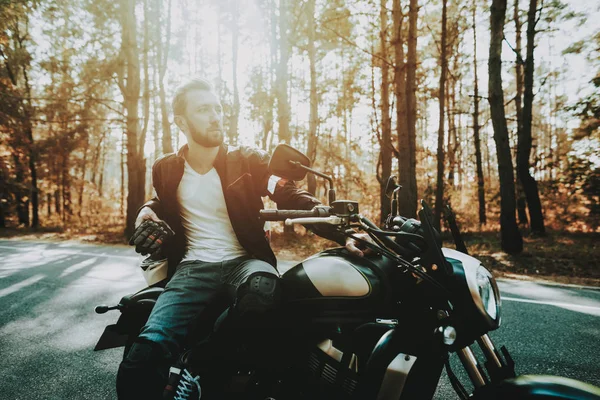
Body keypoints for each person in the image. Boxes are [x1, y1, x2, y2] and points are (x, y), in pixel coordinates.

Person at [116, 78, 364, 400]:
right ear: (181, 121)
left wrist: (339, 226)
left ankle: (198, 365)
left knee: (263, 290)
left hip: (245, 262)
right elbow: (163, 201)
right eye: (204, 109)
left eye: (218, 108)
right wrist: (145, 210)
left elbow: (286, 191)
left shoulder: (246, 160)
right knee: (143, 357)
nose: (216, 116)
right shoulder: (166, 168)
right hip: (193, 267)